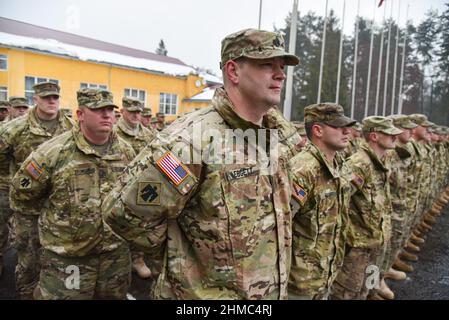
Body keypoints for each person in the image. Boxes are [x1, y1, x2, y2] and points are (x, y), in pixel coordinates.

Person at [102, 28, 302, 299]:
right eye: (267, 64)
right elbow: (124, 214)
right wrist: (180, 257)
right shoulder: (194, 140)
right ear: (233, 71)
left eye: (281, 66)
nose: (280, 74)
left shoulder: (276, 136)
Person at [10, 88, 136, 299]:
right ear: (80, 115)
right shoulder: (53, 152)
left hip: (115, 255)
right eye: (98, 110)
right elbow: (23, 196)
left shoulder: (126, 152)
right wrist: (50, 232)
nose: (106, 115)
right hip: (68, 257)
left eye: (110, 110)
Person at [0, 82, 74, 299]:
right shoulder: (15, 128)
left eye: (55, 97)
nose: (52, 102)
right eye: (46, 98)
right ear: (36, 99)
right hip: (28, 205)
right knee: (29, 255)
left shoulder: (70, 128)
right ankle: (26, 292)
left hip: (59, 203)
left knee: (58, 253)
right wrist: (15, 182)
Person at [331, 116, 402, 300]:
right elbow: (338, 202)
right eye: (389, 134)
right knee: (348, 293)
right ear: (374, 136)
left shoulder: (379, 162)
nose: (395, 137)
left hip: (374, 242)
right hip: (357, 248)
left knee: (367, 287)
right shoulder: (359, 164)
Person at [288, 103, 355, 300]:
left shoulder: (338, 165)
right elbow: (280, 227)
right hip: (299, 283)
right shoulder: (302, 171)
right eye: (338, 126)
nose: (347, 131)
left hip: (325, 273)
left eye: (347, 126)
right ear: (317, 130)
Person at [115, 97, 155, 279]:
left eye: (138, 112)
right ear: (122, 112)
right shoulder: (114, 133)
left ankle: (138, 259)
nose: (136, 115)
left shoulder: (148, 134)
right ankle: (119, 259)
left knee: (140, 223)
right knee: (117, 222)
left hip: (141, 186)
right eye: (131, 112)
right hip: (117, 184)